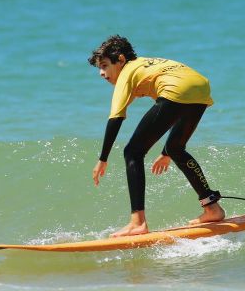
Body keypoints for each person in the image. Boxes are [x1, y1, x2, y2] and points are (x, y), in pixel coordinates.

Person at [88, 35, 225, 237]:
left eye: (105, 66)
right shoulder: (145, 67)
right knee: (176, 149)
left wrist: (103, 159)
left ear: (121, 59)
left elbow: (116, 118)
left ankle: (137, 222)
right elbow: (176, 106)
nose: (102, 73)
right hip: (200, 87)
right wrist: (166, 151)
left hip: (177, 90)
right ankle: (212, 208)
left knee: (132, 152)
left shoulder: (127, 73)